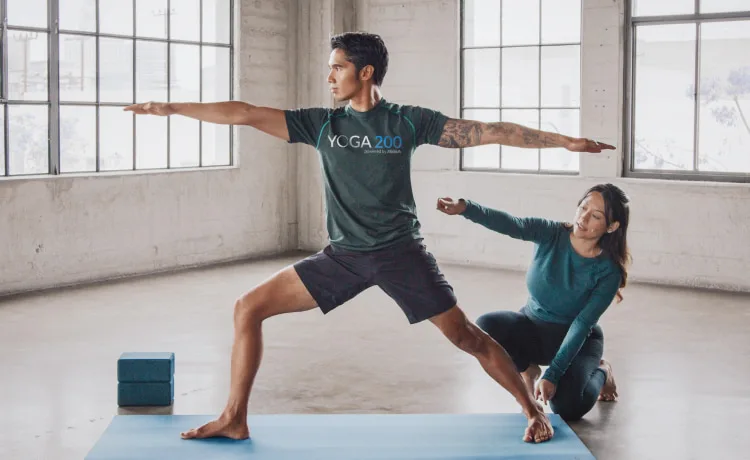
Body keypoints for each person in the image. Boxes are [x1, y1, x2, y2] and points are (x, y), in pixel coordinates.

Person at [124, 32, 614, 443]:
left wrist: (564, 142)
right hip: (343, 257)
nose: (329, 76)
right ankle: (234, 417)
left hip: (402, 255)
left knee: (467, 336)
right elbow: (245, 113)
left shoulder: (406, 121)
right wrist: (172, 108)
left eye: (337, 67)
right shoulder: (321, 124)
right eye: (330, 67)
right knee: (247, 307)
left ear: (365, 73)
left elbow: (487, 131)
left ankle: (530, 410)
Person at [435, 183, 630, 421]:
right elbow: (512, 224)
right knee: (486, 325)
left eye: (596, 216)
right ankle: (528, 369)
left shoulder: (608, 271)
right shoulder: (551, 233)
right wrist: (465, 208)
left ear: (611, 226)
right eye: (583, 207)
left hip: (577, 341)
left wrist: (554, 375)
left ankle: (602, 370)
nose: (584, 217)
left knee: (568, 408)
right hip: (533, 328)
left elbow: (582, 324)